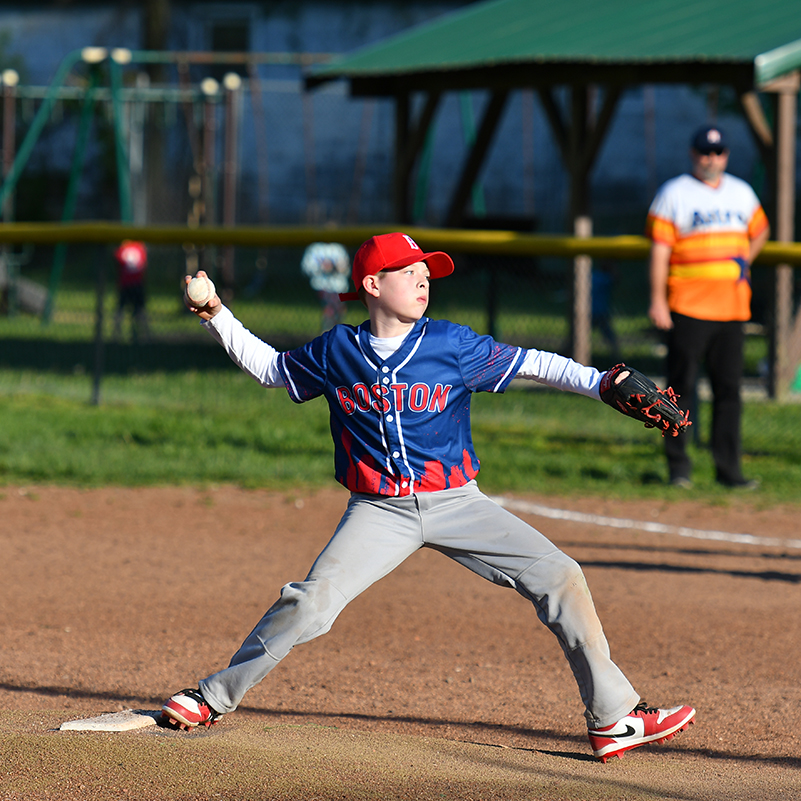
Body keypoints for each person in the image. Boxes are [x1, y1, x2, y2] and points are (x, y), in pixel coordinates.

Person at [161, 232, 695, 762]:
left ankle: (613, 718)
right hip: (378, 512)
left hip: (459, 504)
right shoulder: (336, 351)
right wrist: (214, 310)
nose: (423, 279)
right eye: (408, 270)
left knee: (560, 575)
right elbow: (271, 369)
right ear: (372, 284)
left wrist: (600, 382)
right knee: (311, 603)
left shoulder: (451, 344)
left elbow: (533, 362)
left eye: (427, 272)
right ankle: (212, 696)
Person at [646, 125, 770, 489]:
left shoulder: (741, 193)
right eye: (704, 152)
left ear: (726, 156)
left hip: (731, 309)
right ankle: (679, 467)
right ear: (693, 154)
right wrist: (658, 300)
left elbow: (760, 229)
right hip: (687, 307)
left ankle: (728, 470)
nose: (710, 159)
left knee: (728, 391)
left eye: (717, 152)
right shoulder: (674, 193)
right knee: (680, 389)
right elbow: (659, 251)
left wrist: (745, 258)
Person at [301, 242, 351, 331]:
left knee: (339, 308)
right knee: (331, 306)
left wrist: (336, 267)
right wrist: (322, 267)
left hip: (338, 287)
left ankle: (336, 330)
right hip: (320, 286)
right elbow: (306, 268)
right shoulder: (315, 248)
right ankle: (327, 330)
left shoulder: (338, 248)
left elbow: (346, 269)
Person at [112, 240, 149, 342]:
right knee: (138, 311)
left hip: (126, 284)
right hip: (136, 284)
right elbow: (144, 265)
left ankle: (116, 336)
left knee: (122, 311)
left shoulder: (123, 248)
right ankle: (144, 336)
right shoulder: (139, 247)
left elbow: (118, 263)